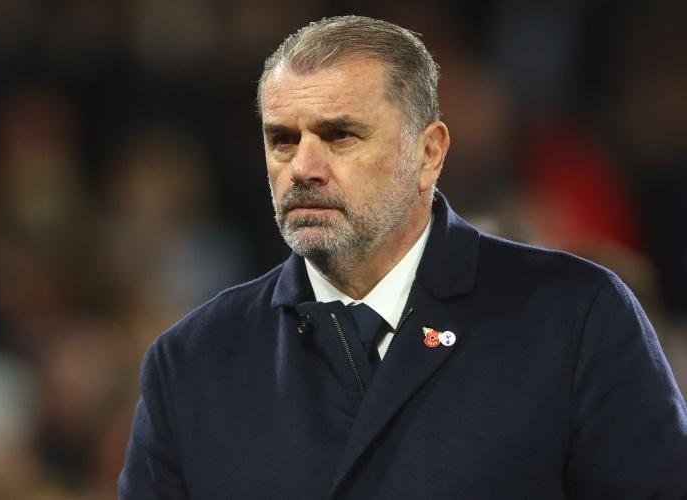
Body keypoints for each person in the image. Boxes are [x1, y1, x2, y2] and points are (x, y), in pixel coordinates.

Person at [119, 16, 687, 499]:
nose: (303, 168)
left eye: (340, 136)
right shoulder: (193, 362)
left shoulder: (575, 318)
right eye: (283, 139)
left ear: (429, 152)